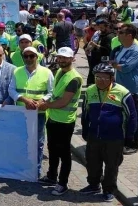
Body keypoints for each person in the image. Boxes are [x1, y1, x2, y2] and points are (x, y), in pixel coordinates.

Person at [80, 63, 137, 202]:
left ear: (112, 78)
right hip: (94, 135)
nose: (100, 80)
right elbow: (85, 111)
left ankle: (109, 189)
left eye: (105, 78)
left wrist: (130, 137)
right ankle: (93, 185)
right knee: (92, 162)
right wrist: (85, 128)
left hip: (114, 137)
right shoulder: (90, 90)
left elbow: (132, 116)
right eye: (97, 77)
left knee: (112, 165)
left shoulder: (122, 92)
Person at [38, 47, 83, 196]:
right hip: (53, 118)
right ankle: (51, 176)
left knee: (64, 153)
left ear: (72, 59)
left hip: (65, 122)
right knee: (52, 149)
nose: (61, 60)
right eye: (59, 57)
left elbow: (64, 101)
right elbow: (55, 94)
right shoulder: (59, 72)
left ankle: (62, 183)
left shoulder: (74, 78)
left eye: (65, 58)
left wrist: (46, 105)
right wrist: (46, 101)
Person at [9, 46, 55, 179]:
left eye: (31, 56)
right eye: (26, 56)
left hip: (38, 114)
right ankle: (21, 168)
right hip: (21, 112)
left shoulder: (47, 72)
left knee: (38, 143)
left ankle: (36, 170)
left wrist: (41, 101)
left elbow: (51, 91)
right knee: (21, 141)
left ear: (37, 57)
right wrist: (23, 99)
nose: (28, 59)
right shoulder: (17, 71)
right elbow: (11, 90)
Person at [109, 23, 138, 155]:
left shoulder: (136, 52)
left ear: (129, 36)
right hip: (118, 87)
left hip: (131, 88)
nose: (117, 34)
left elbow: (126, 67)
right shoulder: (120, 48)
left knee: (132, 116)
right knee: (122, 116)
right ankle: (122, 140)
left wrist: (114, 64)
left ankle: (133, 143)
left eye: (121, 32)